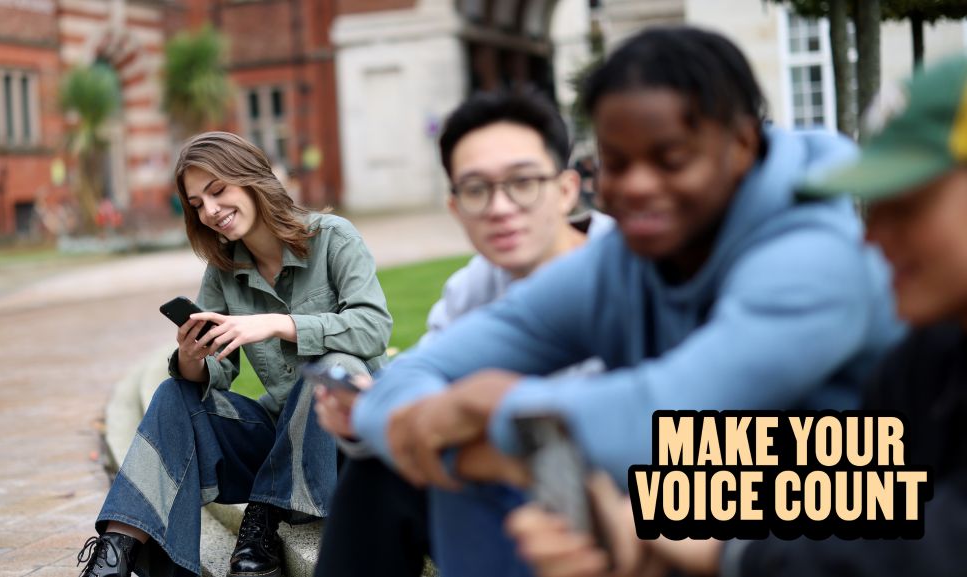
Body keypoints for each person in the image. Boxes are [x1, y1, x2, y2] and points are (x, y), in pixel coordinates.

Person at [350, 26, 902, 577]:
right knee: (444, 467)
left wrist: (493, 413)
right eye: (616, 163)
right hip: (694, 504)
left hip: (856, 514)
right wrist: (438, 426)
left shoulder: (814, 258)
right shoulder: (623, 262)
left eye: (671, 158)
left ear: (741, 146)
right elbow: (418, 375)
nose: (635, 185)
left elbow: (661, 424)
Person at [507, 52, 967, 577]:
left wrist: (719, 548)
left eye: (906, 206)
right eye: (874, 206)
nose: (870, 235)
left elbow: (937, 547)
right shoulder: (926, 357)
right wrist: (641, 528)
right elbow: (852, 491)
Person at [311, 90, 613, 577]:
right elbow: (414, 375)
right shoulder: (475, 285)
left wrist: (452, 425)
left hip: (630, 504)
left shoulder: (633, 271)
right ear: (455, 206)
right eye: (476, 189)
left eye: (523, 182)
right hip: (510, 496)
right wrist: (365, 412)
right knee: (381, 469)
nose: (500, 207)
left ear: (566, 189)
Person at [74, 132, 393, 577]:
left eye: (218, 190)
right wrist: (193, 357)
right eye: (197, 203)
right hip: (281, 440)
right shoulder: (224, 271)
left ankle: (261, 515)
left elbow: (374, 327)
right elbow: (216, 374)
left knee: (331, 368)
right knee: (172, 395)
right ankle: (114, 555)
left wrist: (279, 324)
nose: (210, 210)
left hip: (347, 443)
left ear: (252, 179)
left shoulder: (334, 238)